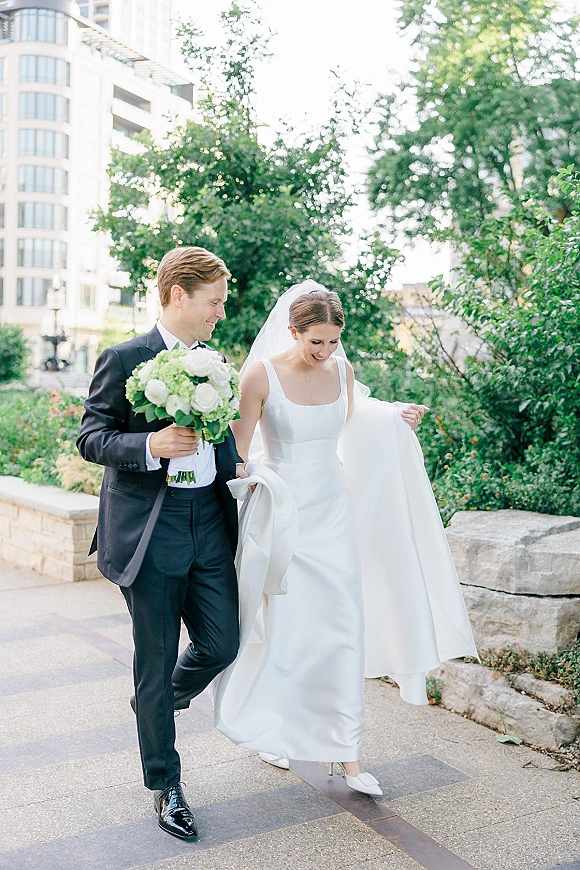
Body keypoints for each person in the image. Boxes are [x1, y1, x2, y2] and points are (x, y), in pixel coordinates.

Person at [212, 281, 478, 796]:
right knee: (285, 630)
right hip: (285, 516)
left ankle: (348, 755)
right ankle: (276, 727)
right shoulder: (260, 375)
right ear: (292, 331)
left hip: (334, 516)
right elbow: (239, 452)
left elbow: (356, 417)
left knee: (340, 631)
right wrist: (255, 486)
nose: (326, 352)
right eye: (316, 342)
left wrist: (395, 415)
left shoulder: (342, 370)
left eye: (334, 341)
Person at [77, 246, 243, 841]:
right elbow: (92, 437)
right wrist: (150, 447)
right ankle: (165, 783)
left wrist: (242, 471)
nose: (219, 314)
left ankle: (155, 706)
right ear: (179, 295)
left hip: (209, 524)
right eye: (214, 303)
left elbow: (224, 440)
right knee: (154, 657)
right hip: (151, 528)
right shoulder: (124, 357)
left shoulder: (217, 362)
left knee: (224, 642)